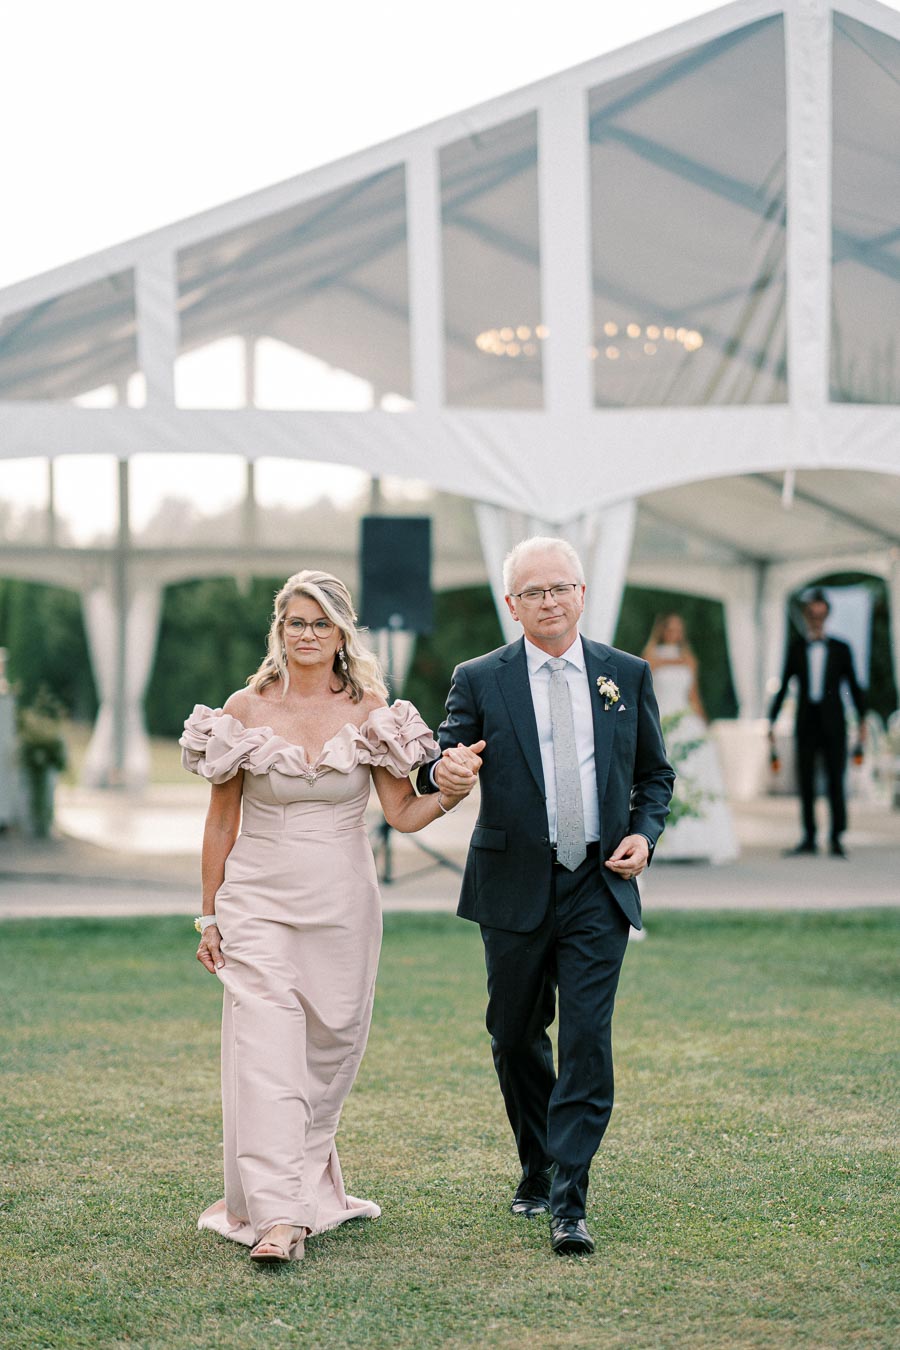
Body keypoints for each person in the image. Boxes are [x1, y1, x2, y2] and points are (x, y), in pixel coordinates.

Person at [180, 569, 482, 1263]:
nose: (307, 634)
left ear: (342, 632)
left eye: (320, 623)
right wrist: (208, 915)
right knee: (265, 1050)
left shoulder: (370, 710)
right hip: (256, 898)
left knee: (327, 1050)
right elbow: (220, 823)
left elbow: (403, 814)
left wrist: (454, 793)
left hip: (344, 900)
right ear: (279, 631)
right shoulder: (243, 710)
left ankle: (301, 1186)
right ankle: (280, 1220)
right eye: (295, 622)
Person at [420, 537, 674, 1257]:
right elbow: (445, 754)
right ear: (513, 605)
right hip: (512, 886)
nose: (550, 602)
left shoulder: (626, 674)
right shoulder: (480, 678)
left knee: (588, 1039)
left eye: (561, 588)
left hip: (600, 883)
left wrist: (645, 836)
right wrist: (448, 773)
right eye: (534, 592)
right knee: (514, 1035)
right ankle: (537, 1163)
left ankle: (569, 1198)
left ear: (582, 594)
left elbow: (656, 775)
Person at [768, 587, 866, 858]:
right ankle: (809, 836)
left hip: (834, 722)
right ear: (806, 615)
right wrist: (771, 721)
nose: (816, 620)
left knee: (836, 779)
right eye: (812, 615)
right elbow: (784, 684)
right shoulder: (797, 647)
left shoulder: (841, 649)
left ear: (827, 616)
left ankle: (836, 836)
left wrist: (862, 721)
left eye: (820, 615)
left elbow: (855, 687)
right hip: (806, 721)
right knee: (807, 780)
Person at [642, 613, 738, 864]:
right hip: (663, 719)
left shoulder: (689, 658)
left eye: (678, 629)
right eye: (670, 628)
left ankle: (696, 840)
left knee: (694, 775)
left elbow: (693, 695)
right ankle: (661, 842)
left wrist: (704, 724)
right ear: (662, 630)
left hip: (685, 719)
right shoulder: (651, 655)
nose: (674, 633)